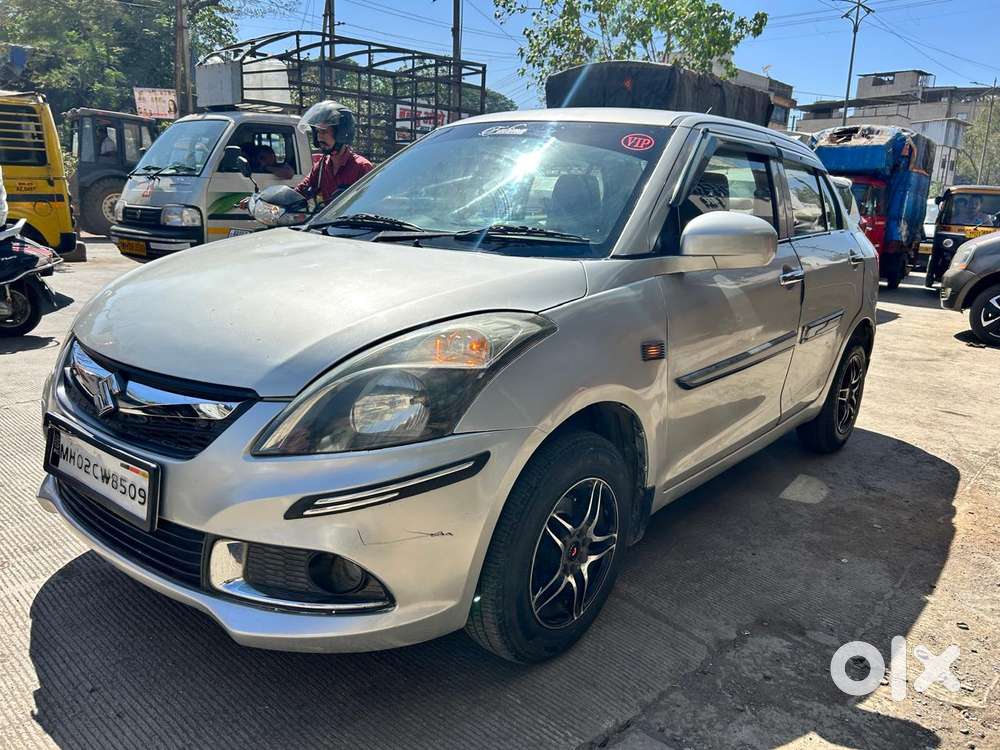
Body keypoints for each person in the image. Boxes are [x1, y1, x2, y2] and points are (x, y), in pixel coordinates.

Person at [294, 101, 373, 207]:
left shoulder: (361, 167)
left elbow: (370, 204)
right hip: (328, 222)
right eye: (317, 132)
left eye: (324, 132)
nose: (319, 137)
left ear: (341, 133)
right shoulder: (322, 166)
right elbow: (300, 192)